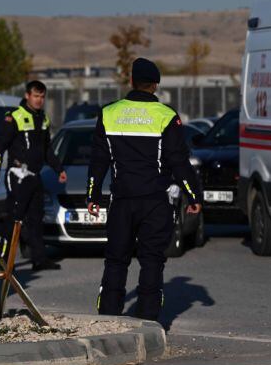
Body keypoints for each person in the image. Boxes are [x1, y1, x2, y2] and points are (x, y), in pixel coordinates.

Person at [87, 58, 203, 321]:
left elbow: (98, 161)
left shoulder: (108, 113)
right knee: (151, 260)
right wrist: (193, 195)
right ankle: (148, 321)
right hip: (154, 202)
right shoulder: (166, 116)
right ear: (155, 85)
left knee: (116, 260)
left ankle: (107, 320)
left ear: (131, 82)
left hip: (122, 201)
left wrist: (92, 195)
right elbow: (179, 162)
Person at [0, 80, 67, 271]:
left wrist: (59, 169)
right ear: (27, 96)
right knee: (14, 218)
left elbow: (47, 149)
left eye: (42, 97)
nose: (39, 100)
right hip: (17, 175)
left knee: (36, 218)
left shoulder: (43, 119)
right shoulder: (14, 117)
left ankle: (39, 259)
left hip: (35, 176)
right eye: (35, 96)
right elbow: (0, 145)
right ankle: (2, 259)